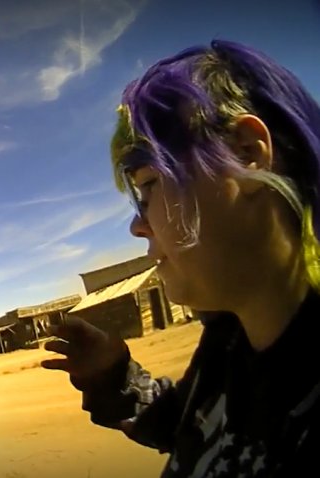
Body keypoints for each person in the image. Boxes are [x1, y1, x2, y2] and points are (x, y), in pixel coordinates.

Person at [42, 39, 320, 477]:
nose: (138, 226)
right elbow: (191, 430)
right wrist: (117, 379)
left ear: (246, 153)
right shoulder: (230, 343)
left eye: (149, 183)